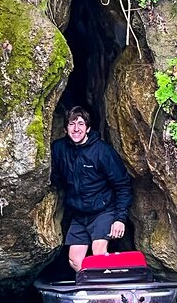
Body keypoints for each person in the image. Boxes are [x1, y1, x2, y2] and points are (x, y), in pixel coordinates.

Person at [50, 106, 133, 272]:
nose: (76, 129)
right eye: (72, 124)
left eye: (81, 124)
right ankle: (92, 289)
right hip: (79, 214)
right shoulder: (59, 149)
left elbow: (123, 184)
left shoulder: (102, 151)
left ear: (88, 128)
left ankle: (105, 293)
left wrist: (120, 219)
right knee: (74, 260)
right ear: (65, 128)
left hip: (102, 210)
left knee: (98, 253)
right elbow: (55, 176)